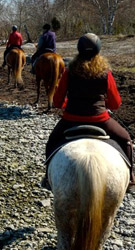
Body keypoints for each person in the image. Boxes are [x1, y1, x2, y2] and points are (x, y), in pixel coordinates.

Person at [43, 33, 135, 192]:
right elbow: (116, 103)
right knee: (126, 140)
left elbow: (58, 101)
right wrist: (104, 104)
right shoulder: (106, 73)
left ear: (79, 49)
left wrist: (67, 103)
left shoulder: (69, 71)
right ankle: (132, 178)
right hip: (100, 120)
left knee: (52, 141)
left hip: (71, 119)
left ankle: (47, 177)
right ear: (98, 50)